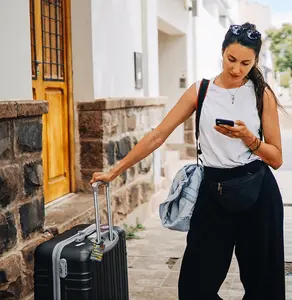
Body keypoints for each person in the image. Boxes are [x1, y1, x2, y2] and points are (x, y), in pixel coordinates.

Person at [90, 23, 285, 299]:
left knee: (264, 287)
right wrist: (114, 171)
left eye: (246, 63)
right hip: (213, 193)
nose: (237, 69)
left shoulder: (260, 93)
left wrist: (249, 139)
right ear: (222, 52)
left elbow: (276, 158)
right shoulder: (201, 91)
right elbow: (158, 135)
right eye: (231, 59)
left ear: (255, 61)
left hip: (259, 194)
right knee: (195, 288)